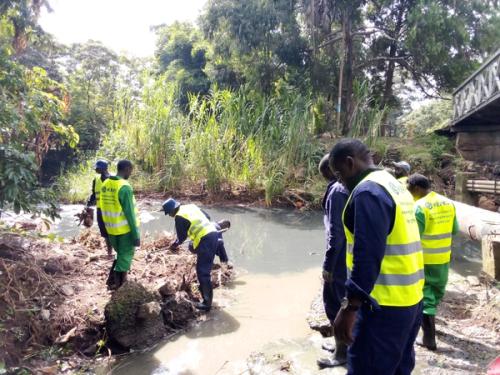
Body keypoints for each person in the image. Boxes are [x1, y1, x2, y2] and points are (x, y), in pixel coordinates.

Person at [329, 139, 424, 375]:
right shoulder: (394, 185)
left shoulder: (368, 192)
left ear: (350, 163)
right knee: (398, 368)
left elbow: (367, 255)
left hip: (381, 307)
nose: (341, 183)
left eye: (339, 175)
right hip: (410, 301)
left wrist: (350, 307)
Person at [407, 173, 458, 351]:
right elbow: (455, 229)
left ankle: (429, 338)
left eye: (409, 189)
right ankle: (431, 330)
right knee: (436, 293)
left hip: (425, 260)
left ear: (417, 189)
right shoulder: (448, 203)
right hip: (443, 258)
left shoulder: (419, 207)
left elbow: (414, 236)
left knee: (425, 297)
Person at [316, 154, 349, 368]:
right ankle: (341, 345)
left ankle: (342, 353)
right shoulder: (346, 188)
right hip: (347, 254)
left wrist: (328, 264)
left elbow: (335, 232)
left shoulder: (337, 191)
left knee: (336, 302)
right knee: (336, 300)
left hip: (340, 257)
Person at [161, 198, 219, 312]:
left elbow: (181, 238)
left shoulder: (179, 216)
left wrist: (174, 245)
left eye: (169, 213)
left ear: (173, 210)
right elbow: (207, 217)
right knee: (194, 251)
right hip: (213, 233)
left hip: (205, 240)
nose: (170, 216)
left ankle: (207, 304)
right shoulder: (191, 206)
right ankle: (205, 288)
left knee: (202, 272)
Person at [100, 160, 140, 290]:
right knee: (126, 256)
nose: (130, 173)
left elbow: (101, 208)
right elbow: (130, 214)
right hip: (125, 230)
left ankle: (112, 281)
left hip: (111, 229)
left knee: (121, 255)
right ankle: (120, 285)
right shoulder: (124, 187)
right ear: (127, 169)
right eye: (131, 170)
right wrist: (136, 235)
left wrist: (104, 230)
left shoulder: (105, 183)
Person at [86, 159, 112, 257]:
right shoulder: (96, 179)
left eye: (97, 168)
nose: (95, 170)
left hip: (111, 209)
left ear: (103, 168)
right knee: (104, 232)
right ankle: (109, 252)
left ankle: (115, 251)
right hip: (100, 209)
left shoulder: (112, 179)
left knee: (113, 230)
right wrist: (88, 205)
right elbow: (94, 194)